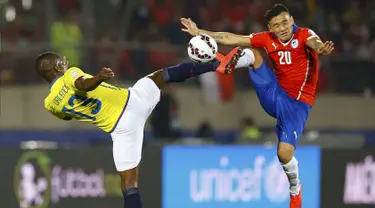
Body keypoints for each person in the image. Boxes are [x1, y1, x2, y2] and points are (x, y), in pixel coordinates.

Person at [35, 50, 241, 208]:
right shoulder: (70, 74)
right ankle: (215, 65)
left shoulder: (49, 103)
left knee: (128, 183)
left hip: (121, 130)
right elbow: (82, 84)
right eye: (59, 61)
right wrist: (98, 78)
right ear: (54, 68)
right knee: (161, 76)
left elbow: (70, 114)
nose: (64, 62)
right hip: (133, 101)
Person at [181, 4, 334, 208]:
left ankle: (295, 190)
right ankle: (227, 62)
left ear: (292, 20)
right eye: (276, 25)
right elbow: (231, 38)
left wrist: (321, 48)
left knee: (284, 154)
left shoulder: (304, 35)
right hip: (274, 93)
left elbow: (315, 42)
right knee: (255, 55)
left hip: (297, 105)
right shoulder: (267, 39)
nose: (282, 28)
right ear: (270, 28)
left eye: (285, 22)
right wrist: (199, 32)